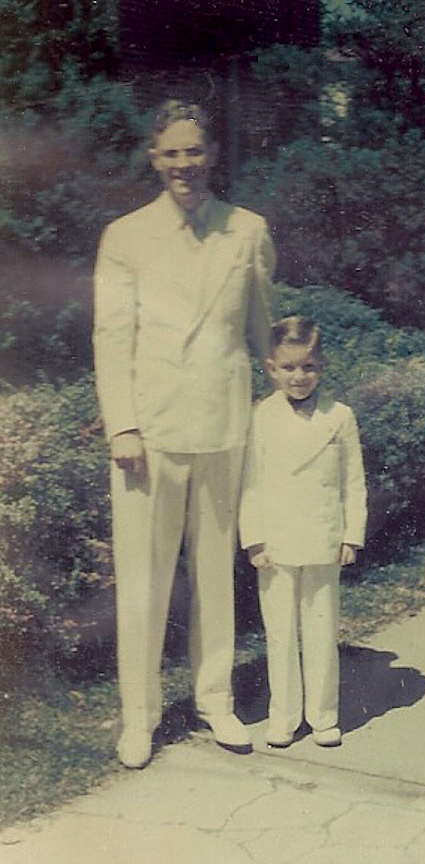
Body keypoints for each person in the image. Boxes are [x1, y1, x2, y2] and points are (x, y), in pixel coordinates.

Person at [93, 98, 275, 768]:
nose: (184, 165)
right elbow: (112, 341)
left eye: (194, 151)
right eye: (170, 152)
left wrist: (289, 413)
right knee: (142, 579)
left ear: (212, 155)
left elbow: (261, 331)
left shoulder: (247, 231)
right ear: (153, 156)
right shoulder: (125, 237)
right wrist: (125, 427)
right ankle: (138, 717)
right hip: (150, 434)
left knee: (214, 575)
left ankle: (215, 701)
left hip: (225, 425)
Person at [239, 316, 367, 748]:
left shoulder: (340, 417)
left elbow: (354, 482)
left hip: (323, 536)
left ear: (322, 366)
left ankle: (323, 715)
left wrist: (352, 535)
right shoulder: (259, 417)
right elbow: (250, 482)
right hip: (275, 540)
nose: (299, 377)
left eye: (308, 367)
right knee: (279, 632)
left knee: (320, 629)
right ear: (272, 368)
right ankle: (284, 715)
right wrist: (254, 538)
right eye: (289, 368)